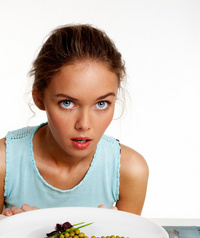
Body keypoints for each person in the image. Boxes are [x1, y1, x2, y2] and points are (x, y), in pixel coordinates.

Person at [0, 24, 148, 216]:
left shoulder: (130, 170)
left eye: (101, 104)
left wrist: (110, 233)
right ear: (39, 97)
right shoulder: (4, 162)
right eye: (67, 103)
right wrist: (13, 231)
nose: (84, 125)